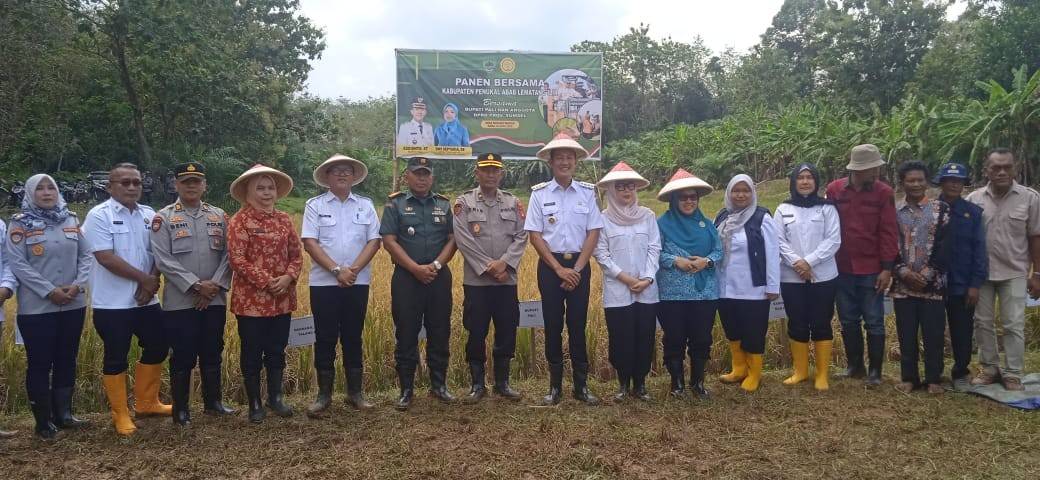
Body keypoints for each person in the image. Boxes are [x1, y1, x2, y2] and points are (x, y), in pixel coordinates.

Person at [82, 163, 170, 436]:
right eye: (125, 182)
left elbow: (158, 252)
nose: (132, 187)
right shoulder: (99, 215)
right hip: (112, 303)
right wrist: (144, 280)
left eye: (136, 182)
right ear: (110, 187)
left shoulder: (149, 215)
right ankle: (120, 413)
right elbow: (105, 257)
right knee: (116, 355)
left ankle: (147, 403)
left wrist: (152, 281)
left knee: (158, 344)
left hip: (146, 301)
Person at [150, 162, 236, 426]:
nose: (191, 186)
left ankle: (213, 403)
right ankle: (181, 410)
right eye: (185, 182)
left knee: (213, 349)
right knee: (182, 354)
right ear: (176, 185)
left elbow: (230, 255)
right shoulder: (163, 218)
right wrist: (197, 286)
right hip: (180, 301)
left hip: (215, 298)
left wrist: (214, 285)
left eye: (196, 181)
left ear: (204, 185)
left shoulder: (219, 216)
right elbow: (163, 260)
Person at [5, 174, 90, 438]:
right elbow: (18, 264)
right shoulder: (20, 224)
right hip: (38, 307)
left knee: (67, 358)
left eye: (50, 187)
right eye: (39, 189)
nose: (46, 192)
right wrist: (49, 291)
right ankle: (43, 422)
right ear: (30, 194)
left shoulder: (71, 219)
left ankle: (64, 415)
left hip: (73, 303)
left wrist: (77, 285)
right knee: (40, 362)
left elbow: (86, 255)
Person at [524, 133, 604, 406]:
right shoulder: (539, 194)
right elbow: (535, 235)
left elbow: (593, 232)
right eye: (559, 157)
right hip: (551, 267)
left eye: (569, 157)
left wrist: (577, 269)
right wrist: (559, 269)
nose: (565, 162)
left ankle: (581, 386)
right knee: (553, 325)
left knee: (578, 325)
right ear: (551, 162)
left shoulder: (587, 192)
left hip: (580, 266)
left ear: (576, 162)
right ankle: (555, 387)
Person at [302, 154, 381, 417]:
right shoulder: (314, 205)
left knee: (353, 336)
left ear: (354, 176)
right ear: (327, 176)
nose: (342, 174)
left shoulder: (366, 205)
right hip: (324, 283)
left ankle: (355, 393)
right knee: (325, 337)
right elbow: (310, 242)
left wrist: (353, 271)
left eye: (347, 170)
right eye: (336, 170)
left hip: (357, 282)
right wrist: (337, 270)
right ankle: (324, 395)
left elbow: (374, 241)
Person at [380, 156, 457, 410]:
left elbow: (453, 239)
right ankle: (406, 389)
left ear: (432, 177)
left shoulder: (443, 204)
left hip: (438, 276)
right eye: (417, 173)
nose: (422, 178)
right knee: (406, 332)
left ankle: (439, 385)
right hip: (406, 278)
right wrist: (414, 268)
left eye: (426, 174)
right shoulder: (395, 204)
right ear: (407, 176)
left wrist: (436, 266)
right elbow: (389, 241)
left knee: (440, 330)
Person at [226, 164, 301, 422]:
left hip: (282, 299)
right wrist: (269, 282)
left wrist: (288, 277)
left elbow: (296, 255)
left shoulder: (284, 219)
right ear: (248, 192)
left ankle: (275, 398)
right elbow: (237, 259)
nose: (267, 192)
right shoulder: (239, 221)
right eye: (260, 188)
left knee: (277, 349)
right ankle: (255, 402)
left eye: (270, 188)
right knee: (252, 352)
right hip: (251, 301)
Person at [452, 153, 527, 403]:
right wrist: (490, 267)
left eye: (495, 170)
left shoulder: (513, 202)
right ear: (477, 173)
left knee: (507, 329)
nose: (491, 174)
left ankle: (502, 383)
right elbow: (463, 239)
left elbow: (522, 236)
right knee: (476, 331)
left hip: (506, 280)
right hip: (477, 282)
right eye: (486, 170)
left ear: (501, 174)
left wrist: (504, 264)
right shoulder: (464, 203)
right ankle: (477, 384)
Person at [966, 148, 1040, 391]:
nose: (1001, 172)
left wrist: (1037, 274)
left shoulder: (1030, 198)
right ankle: (989, 369)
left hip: (1015, 271)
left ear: (1014, 169)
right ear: (986, 170)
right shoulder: (974, 199)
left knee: (1013, 324)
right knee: (982, 322)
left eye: (1007, 167)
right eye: (996, 167)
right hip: (982, 274)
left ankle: (1013, 373)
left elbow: (1036, 237)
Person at [825, 144, 898, 387]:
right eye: (872, 168)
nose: (876, 172)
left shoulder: (884, 192)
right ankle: (855, 366)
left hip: (872, 267)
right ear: (858, 169)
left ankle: (875, 371)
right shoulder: (834, 190)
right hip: (841, 266)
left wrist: (887, 268)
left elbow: (888, 231)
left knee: (874, 320)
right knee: (848, 320)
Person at [593, 162, 660, 401]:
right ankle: (623, 383)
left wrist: (647, 278)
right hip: (618, 289)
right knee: (620, 336)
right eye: (620, 187)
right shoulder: (602, 219)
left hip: (646, 289)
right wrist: (626, 278)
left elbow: (654, 248)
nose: (626, 191)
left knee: (645, 335)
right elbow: (601, 254)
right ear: (611, 190)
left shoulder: (647, 216)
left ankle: (640, 384)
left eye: (630, 186)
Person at [774, 163, 840, 391]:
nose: (804, 181)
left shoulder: (827, 208)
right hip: (792, 277)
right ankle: (800, 371)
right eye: (800, 177)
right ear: (793, 182)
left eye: (809, 177)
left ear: (816, 181)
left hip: (823, 276)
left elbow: (834, 240)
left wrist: (809, 261)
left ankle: (822, 374)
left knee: (822, 322)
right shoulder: (783, 208)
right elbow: (778, 240)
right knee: (797, 322)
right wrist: (798, 263)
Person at [655, 169, 720, 399]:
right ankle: (677, 384)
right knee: (674, 338)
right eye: (683, 197)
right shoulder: (661, 224)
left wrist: (706, 261)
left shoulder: (707, 224)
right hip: (672, 294)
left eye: (693, 197)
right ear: (674, 200)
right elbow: (654, 252)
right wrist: (675, 260)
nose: (689, 201)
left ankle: (697, 383)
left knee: (702, 338)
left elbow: (719, 251)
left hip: (705, 294)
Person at [714, 174, 779, 393]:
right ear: (728, 193)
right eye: (736, 190)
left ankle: (754, 373)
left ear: (752, 193)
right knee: (732, 328)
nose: (740, 195)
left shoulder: (762, 217)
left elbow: (772, 252)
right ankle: (739, 368)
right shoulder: (722, 216)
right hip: (725, 287)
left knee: (753, 331)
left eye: (745, 190)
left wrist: (772, 286)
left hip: (753, 288)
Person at [889, 161, 950, 394]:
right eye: (910, 180)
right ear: (902, 183)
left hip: (932, 285)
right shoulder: (894, 212)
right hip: (903, 285)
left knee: (934, 333)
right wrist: (903, 272)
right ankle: (909, 378)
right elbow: (889, 245)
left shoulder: (941, 210)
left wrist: (926, 274)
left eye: (920, 180)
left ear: (927, 182)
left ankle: (933, 378)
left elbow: (946, 245)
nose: (915, 184)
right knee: (906, 333)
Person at [933, 163, 987, 391]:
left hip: (962, 283)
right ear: (941, 182)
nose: (954, 184)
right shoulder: (930, 209)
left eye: (959, 181)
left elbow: (979, 250)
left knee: (962, 330)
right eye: (949, 180)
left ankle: (960, 373)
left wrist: (975, 284)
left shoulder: (973, 213)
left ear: (964, 184)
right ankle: (934, 373)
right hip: (933, 283)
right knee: (933, 330)